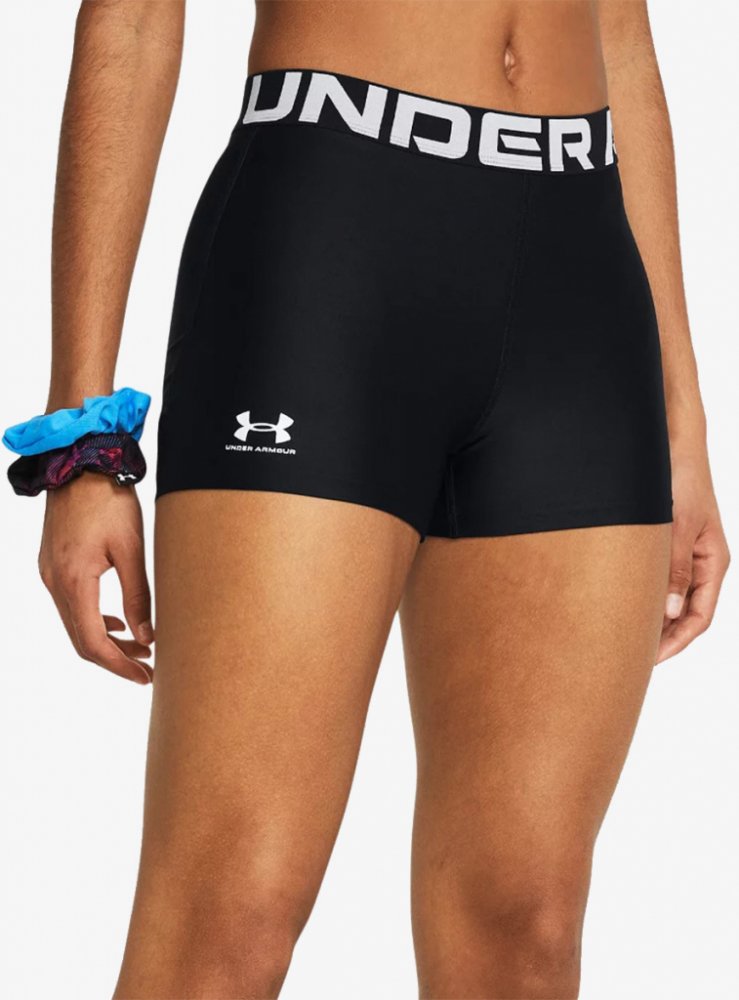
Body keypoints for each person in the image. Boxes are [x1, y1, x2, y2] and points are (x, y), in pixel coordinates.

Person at [5, 1, 729, 997]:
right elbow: (131, 19)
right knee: (231, 907)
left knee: (525, 918)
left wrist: (681, 419)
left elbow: (620, 34)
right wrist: (82, 438)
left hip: (578, 272)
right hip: (329, 241)